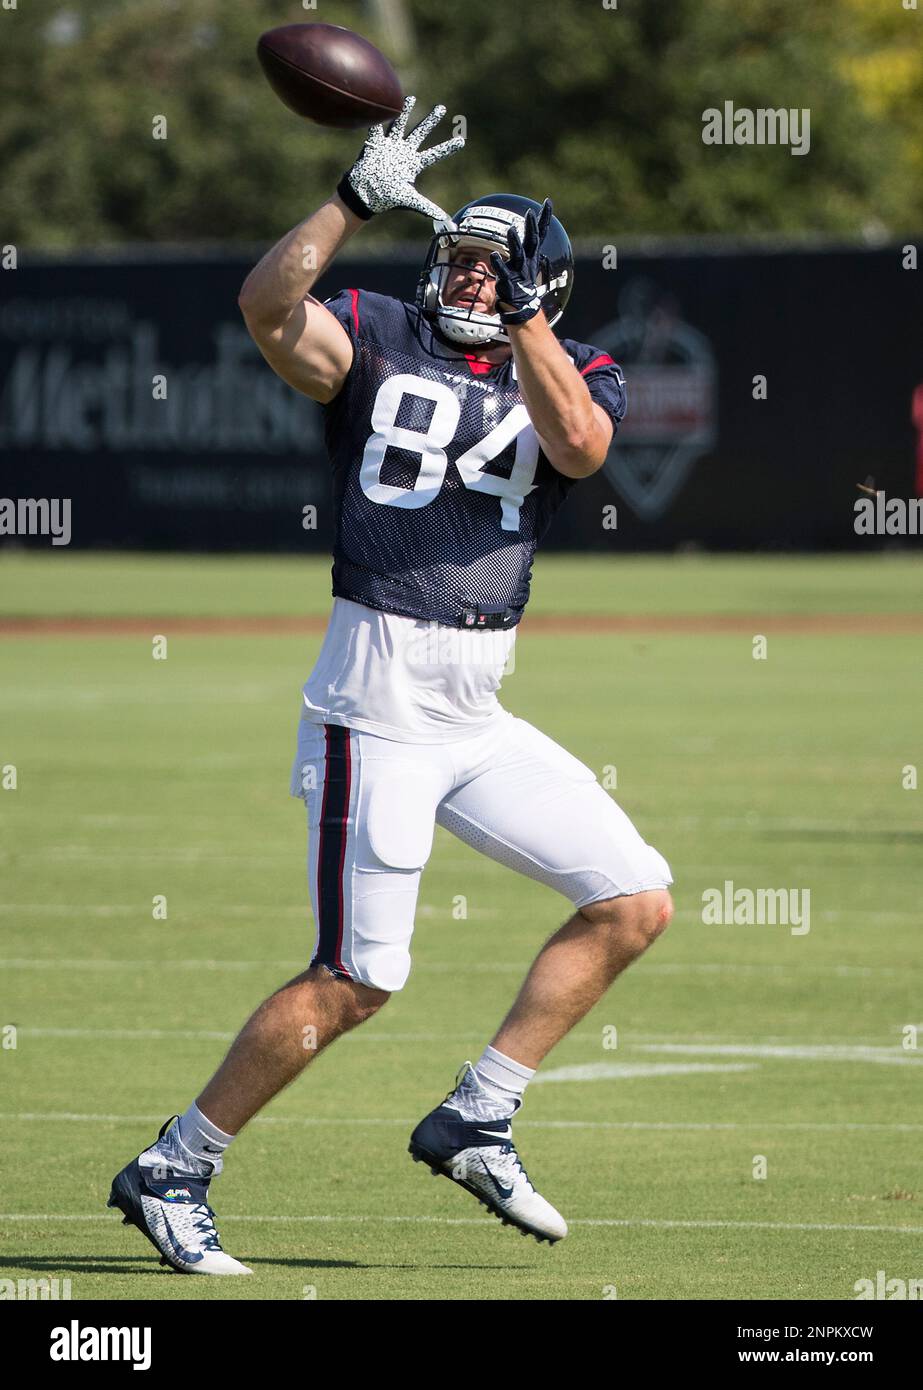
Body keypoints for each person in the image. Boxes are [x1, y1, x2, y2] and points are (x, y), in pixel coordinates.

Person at [107, 97, 673, 1275]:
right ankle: (175, 1163)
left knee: (632, 898)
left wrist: (524, 324)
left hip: (473, 711)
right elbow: (267, 308)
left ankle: (477, 1111)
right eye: (460, 263)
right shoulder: (373, 333)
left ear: (543, 288)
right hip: (375, 703)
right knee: (358, 977)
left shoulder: (577, 365)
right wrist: (347, 199)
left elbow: (577, 447)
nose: (468, 283)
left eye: (494, 268)